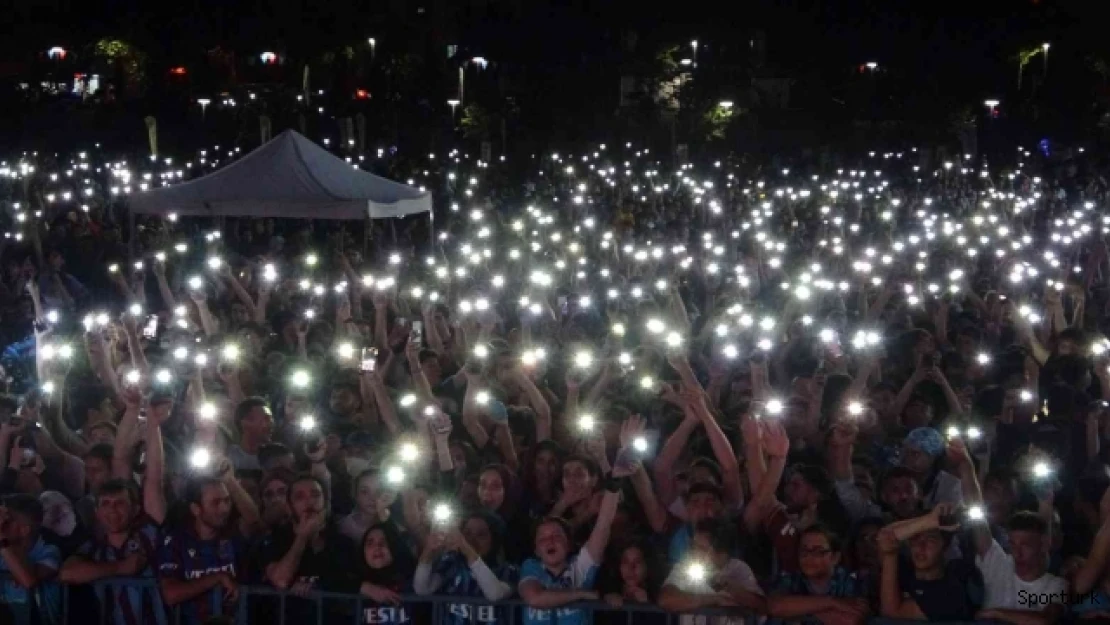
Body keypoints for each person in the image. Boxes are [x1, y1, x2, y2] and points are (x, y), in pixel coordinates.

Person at [59, 479, 167, 625]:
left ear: (135, 510)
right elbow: (67, 573)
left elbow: (155, 497)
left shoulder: (149, 536)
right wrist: (122, 567)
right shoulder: (93, 547)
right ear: (97, 512)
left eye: (120, 503)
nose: (112, 509)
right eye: (105, 503)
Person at [518, 473, 621, 625]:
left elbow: (603, 525)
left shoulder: (579, 567)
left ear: (569, 544)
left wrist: (615, 482)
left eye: (557, 536)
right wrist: (582, 593)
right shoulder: (530, 567)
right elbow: (535, 598)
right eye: (543, 539)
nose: (550, 541)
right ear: (536, 550)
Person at [157, 469, 257, 624]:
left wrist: (229, 479)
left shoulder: (233, 534)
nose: (224, 509)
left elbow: (253, 520)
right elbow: (170, 594)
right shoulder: (177, 540)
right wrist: (217, 578)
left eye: (227, 500)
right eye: (216, 502)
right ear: (195, 509)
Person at [876, 503, 983, 621]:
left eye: (931, 539)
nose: (921, 546)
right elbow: (884, 535)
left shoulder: (953, 587)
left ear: (945, 545)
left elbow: (892, 613)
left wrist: (890, 553)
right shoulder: (903, 570)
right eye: (915, 538)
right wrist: (929, 520)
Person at [414, 510, 517, 624]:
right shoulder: (451, 563)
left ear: (494, 539)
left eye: (481, 535)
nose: (472, 540)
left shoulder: (508, 570)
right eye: (467, 533)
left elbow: (495, 594)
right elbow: (422, 589)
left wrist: (465, 547)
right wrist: (429, 549)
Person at [659, 518, 766, 625]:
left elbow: (761, 607)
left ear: (722, 555)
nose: (693, 552)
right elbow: (665, 600)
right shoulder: (684, 568)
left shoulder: (738, 568)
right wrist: (714, 599)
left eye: (700, 548)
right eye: (692, 546)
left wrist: (732, 589)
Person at [767, 525, 869, 625]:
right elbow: (775, 606)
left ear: (835, 557)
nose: (809, 557)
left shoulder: (850, 580)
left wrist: (796, 609)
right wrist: (832, 602)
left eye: (818, 552)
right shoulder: (790, 578)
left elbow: (850, 621)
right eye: (804, 551)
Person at [0, 494, 62, 625]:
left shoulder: (49, 552)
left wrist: (2, 537)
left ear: (24, 530)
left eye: (7, 520)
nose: (1, 523)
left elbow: (28, 580)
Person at [357, 521, 417, 624]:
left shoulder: (413, 581)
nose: (377, 547)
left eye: (383, 542)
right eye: (370, 543)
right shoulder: (355, 582)